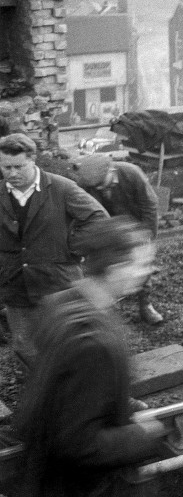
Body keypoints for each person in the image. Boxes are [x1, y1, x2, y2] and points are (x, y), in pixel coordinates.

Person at [12, 216, 167, 497]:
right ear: (116, 269)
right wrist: (145, 434)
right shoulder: (93, 343)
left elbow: (65, 386)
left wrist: (122, 402)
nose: (148, 272)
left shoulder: (60, 302)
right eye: (142, 264)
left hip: (38, 458)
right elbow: (80, 444)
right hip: (74, 486)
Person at [0, 133, 108, 365]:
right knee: (24, 345)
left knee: (73, 341)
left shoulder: (62, 188)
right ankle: (49, 390)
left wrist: (72, 245)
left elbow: (98, 219)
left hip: (57, 282)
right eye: (6, 167)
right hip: (15, 284)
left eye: (18, 167)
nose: (12, 173)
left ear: (33, 160)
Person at [71, 154, 164, 325]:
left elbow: (150, 206)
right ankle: (107, 309)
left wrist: (147, 238)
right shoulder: (85, 184)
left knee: (141, 269)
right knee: (107, 272)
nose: (98, 189)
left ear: (111, 170)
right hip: (106, 232)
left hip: (134, 229)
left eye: (101, 184)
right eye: (95, 187)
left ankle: (145, 305)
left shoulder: (132, 173)